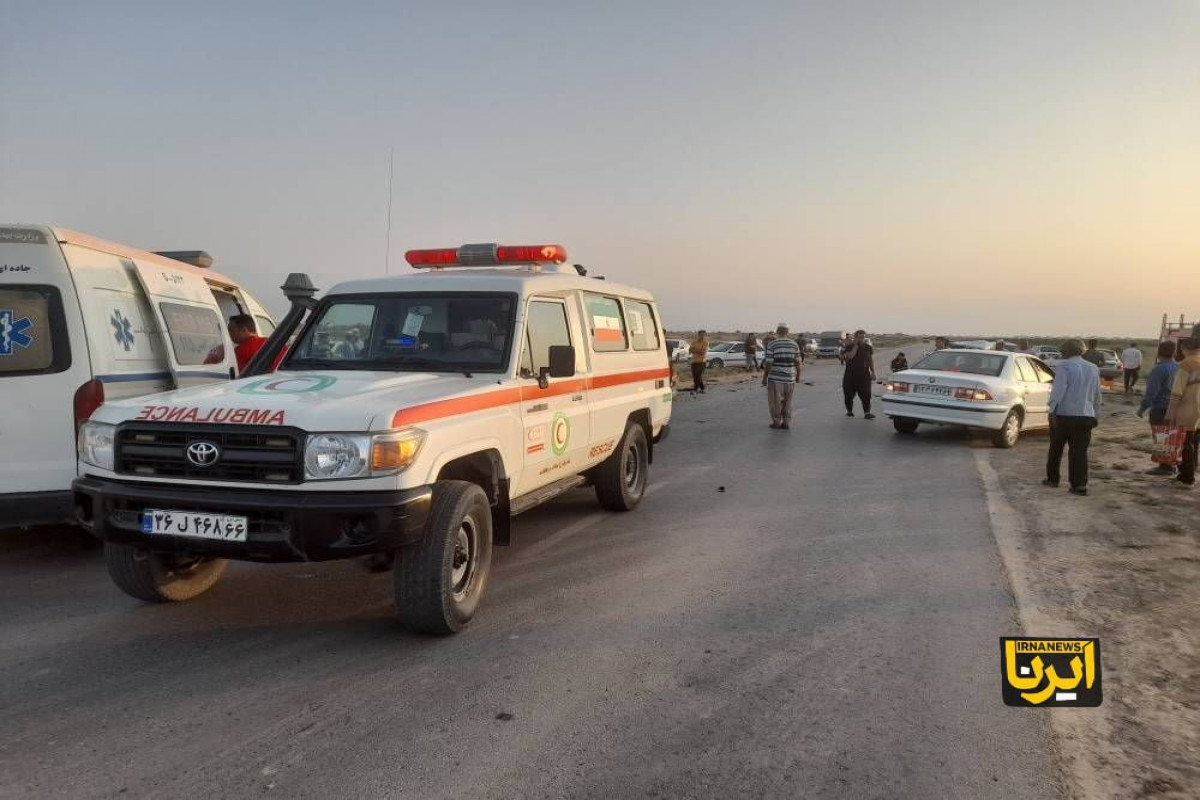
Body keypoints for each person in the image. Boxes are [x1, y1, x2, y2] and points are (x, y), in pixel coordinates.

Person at [1044, 339, 1102, 496]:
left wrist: (1052, 411)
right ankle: (1079, 485)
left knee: (1056, 449)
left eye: (1062, 350)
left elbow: (1058, 391)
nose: (1061, 353)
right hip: (1085, 415)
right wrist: (1096, 414)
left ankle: (1053, 479)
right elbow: (1097, 394)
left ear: (1068, 351)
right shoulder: (1093, 368)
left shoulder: (1064, 366)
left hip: (1064, 414)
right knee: (1079, 452)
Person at [1137, 340, 1179, 475]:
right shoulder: (1179, 368)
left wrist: (1142, 408)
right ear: (1174, 352)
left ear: (1159, 352)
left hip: (1160, 407)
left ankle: (1165, 467)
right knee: (1172, 436)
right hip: (1176, 408)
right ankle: (1171, 464)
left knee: (1161, 436)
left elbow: (1152, 391)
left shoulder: (1159, 369)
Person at [1165, 337, 1200, 489]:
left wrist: (1170, 413)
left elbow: (1177, 393)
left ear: (1184, 349)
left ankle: (1187, 479)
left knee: (1184, 445)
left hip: (1187, 410)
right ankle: (1186, 474)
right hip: (1198, 411)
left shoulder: (1186, 365)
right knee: (1193, 444)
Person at [762, 324, 801, 429]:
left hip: (776, 378)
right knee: (788, 402)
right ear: (787, 332)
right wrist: (798, 376)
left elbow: (769, 363)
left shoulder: (772, 344)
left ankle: (776, 422)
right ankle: (786, 422)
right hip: (790, 378)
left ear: (777, 332)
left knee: (775, 402)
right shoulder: (794, 344)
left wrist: (765, 377)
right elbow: (798, 362)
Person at [841, 329, 876, 419]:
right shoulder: (849, 347)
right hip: (850, 376)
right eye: (860, 337)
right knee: (848, 395)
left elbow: (870, 360)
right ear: (855, 338)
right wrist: (856, 346)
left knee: (866, 395)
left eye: (863, 337)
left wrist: (873, 372)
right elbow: (850, 356)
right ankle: (849, 411)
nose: (861, 339)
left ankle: (867, 413)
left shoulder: (868, 347)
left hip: (864, 376)